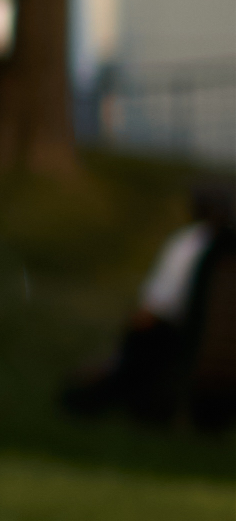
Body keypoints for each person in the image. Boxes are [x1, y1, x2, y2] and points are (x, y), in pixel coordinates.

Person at [63, 182, 233, 429]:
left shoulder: (189, 245)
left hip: (180, 346)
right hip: (219, 358)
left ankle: (83, 405)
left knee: (138, 346)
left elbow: (154, 309)